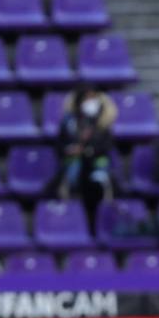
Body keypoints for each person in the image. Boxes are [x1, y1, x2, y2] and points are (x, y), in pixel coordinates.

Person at [54, 86, 117, 230]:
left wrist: (87, 149)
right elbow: (60, 146)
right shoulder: (69, 122)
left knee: (99, 182)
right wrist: (70, 150)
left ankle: (99, 224)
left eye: (93, 98)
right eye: (87, 98)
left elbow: (106, 147)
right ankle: (69, 221)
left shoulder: (102, 123)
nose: (90, 102)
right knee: (73, 176)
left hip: (95, 165)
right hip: (74, 165)